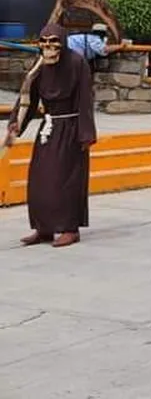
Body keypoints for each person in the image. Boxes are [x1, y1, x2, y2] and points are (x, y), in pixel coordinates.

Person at [5, 24, 96, 247]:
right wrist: (16, 124)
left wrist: (85, 133)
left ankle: (69, 229)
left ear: (62, 43)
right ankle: (43, 229)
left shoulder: (77, 63)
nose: (48, 47)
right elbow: (28, 98)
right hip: (48, 129)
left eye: (53, 41)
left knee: (66, 180)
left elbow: (86, 99)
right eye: (43, 42)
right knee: (40, 180)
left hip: (72, 129)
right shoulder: (39, 67)